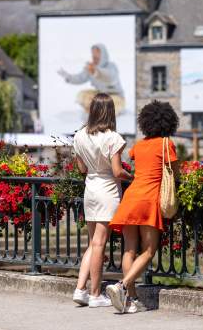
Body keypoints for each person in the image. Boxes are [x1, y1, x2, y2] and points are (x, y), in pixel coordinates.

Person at [106, 100, 179, 314]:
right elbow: (175, 173)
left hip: (131, 198)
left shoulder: (139, 145)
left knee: (129, 249)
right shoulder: (166, 144)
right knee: (148, 251)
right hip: (148, 201)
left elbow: (137, 164)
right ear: (169, 122)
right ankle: (120, 285)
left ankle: (132, 299)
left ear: (145, 122)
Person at [71, 93, 132, 308]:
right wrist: (131, 176)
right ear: (110, 112)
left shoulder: (79, 136)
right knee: (99, 243)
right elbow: (117, 171)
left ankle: (81, 289)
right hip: (107, 191)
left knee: (92, 243)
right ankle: (95, 294)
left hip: (90, 189)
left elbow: (81, 169)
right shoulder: (113, 138)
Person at [57, 44, 126, 116]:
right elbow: (80, 78)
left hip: (116, 96)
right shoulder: (91, 67)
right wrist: (67, 76)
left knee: (108, 104)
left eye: (97, 52)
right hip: (101, 94)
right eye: (93, 53)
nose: (94, 55)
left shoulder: (111, 66)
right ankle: (95, 110)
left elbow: (110, 77)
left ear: (103, 54)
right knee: (82, 95)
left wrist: (96, 72)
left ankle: (107, 112)